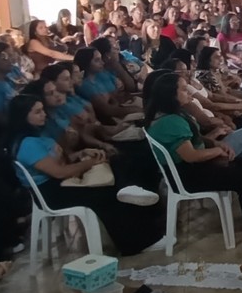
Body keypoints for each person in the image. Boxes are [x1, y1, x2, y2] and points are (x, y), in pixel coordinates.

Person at [9, 95, 168, 255]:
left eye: (42, 110)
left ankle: (145, 215)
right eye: (37, 112)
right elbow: (59, 172)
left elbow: (60, 161)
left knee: (118, 166)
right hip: (52, 192)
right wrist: (91, 163)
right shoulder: (28, 144)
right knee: (107, 194)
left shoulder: (39, 136)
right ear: (23, 117)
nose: (44, 114)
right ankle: (139, 243)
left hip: (61, 183)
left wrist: (82, 153)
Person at [143, 75, 242, 250]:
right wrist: (217, 151)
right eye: (184, 90)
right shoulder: (169, 122)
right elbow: (191, 156)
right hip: (187, 176)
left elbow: (195, 140)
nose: (189, 93)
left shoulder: (172, 115)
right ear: (170, 94)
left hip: (191, 169)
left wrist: (216, 144)